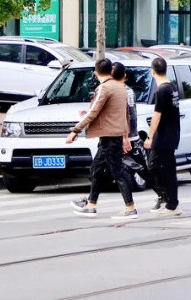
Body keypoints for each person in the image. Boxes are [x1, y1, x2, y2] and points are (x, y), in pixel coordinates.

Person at [67, 58, 137, 219]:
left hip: (110, 136)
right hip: (111, 135)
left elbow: (94, 111)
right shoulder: (121, 87)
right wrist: (125, 136)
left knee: (117, 172)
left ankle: (130, 207)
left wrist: (75, 130)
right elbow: (123, 114)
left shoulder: (104, 88)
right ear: (111, 71)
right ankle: (91, 204)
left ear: (95, 73)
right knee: (96, 169)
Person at [144, 56, 181, 216]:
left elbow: (157, 115)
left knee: (154, 167)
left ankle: (170, 202)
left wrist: (150, 137)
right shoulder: (172, 87)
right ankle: (167, 200)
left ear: (153, 72)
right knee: (166, 169)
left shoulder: (162, 90)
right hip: (171, 134)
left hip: (164, 136)